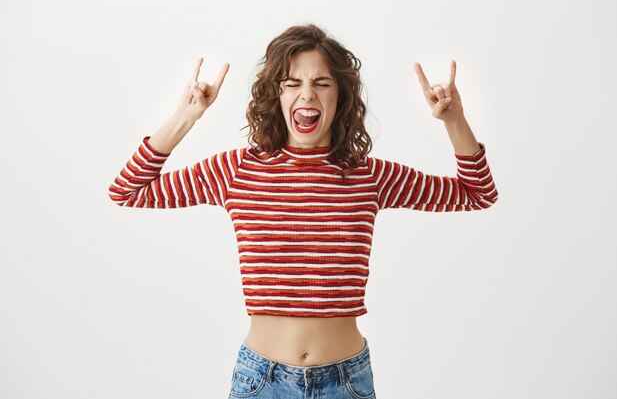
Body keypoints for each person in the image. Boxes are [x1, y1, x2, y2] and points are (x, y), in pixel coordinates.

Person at [108, 23, 498, 398]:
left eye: (321, 83)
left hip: (346, 382)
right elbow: (127, 190)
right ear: (276, 95)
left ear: (340, 96)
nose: (306, 94)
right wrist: (186, 116)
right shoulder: (237, 171)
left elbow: (477, 192)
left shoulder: (368, 176)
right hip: (260, 381)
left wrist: (454, 121)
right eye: (292, 83)